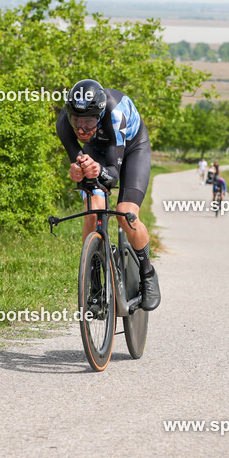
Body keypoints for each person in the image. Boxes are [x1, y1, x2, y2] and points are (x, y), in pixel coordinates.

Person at [56, 79, 160, 311]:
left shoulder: (114, 114)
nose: (81, 129)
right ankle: (93, 284)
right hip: (98, 149)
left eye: (89, 121)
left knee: (125, 213)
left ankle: (147, 273)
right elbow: (78, 161)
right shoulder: (64, 122)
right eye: (77, 121)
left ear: (100, 114)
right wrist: (78, 169)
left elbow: (112, 174)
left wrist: (97, 170)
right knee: (93, 210)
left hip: (132, 148)